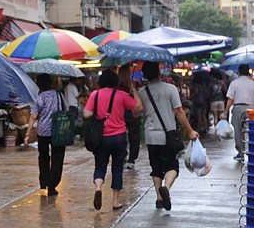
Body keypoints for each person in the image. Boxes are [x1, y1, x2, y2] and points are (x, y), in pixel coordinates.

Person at [138, 62, 198, 211]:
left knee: (156, 168)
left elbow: (138, 111)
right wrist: (190, 131)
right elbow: (179, 112)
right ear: (159, 73)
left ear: (144, 75)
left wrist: (133, 90)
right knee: (172, 166)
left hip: (151, 136)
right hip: (168, 135)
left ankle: (159, 198)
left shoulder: (142, 92)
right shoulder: (171, 89)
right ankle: (166, 187)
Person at [83, 70, 143, 211]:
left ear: (100, 81)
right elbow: (138, 107)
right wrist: (134, 90)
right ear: (116, 82)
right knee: (117, 168)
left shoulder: (95, 95)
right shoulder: (122, 95)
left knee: (100, 166)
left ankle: (98, 188)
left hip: (101, 138)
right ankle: (115, 201)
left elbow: (86, 114)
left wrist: (97, 112)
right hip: (119, 137)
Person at [25, 73, 66, 196]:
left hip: (43, 131)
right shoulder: (59, 95)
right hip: (58, 131)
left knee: (43, 157)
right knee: (57, 157)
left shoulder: (39, 98)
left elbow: (33, 116)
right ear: (50, 83)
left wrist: (27, 134)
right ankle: (52, 186)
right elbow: (65, 108)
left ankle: (44, 182)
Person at [221, 64, 254, 161]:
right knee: (251, 130)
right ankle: (251, 150)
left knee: (238, 130)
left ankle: (240, 152)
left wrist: (226, 111)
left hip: (238, 108)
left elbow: (230, 99)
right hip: (251, 109)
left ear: (238, 72)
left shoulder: (234, 83)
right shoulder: (252, 83)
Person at [118, 65, 142, 170]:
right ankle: (123, 155)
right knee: (121, 136)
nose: (124, 76)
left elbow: (139, 98)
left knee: (134, 137)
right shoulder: (117, 86)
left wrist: (133, 90)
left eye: (126, 73)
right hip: (121, 113)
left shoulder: (135, 84)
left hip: (133, 113)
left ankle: (132, 159)